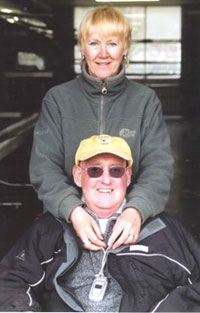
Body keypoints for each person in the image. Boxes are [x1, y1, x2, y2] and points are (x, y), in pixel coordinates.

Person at [1, 134, 200, 312]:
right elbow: (10, 280)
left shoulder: (162, 230)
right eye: (95, 170)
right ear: (78, 175)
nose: (106, 180)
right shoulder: (50, 228)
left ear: (128, 176)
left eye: (116, 171)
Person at [29, 6, 174, 251]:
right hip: (66, 221)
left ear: (126, 48)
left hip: (129, 226)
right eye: (94, 43)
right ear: (82, 48)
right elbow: (44, 167)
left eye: (113, 44)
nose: (103, 54)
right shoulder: (57, 99)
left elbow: (158, 167)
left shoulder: (145, 100)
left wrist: (136, 210)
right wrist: (73, 211)